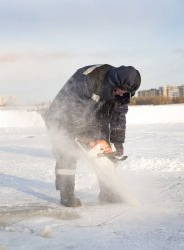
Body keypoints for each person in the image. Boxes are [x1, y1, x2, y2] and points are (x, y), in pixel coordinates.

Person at [43, 64, 141, 207]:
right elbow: (73, 112)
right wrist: (88, 139)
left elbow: (119, 116)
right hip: (64, 115)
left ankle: (108, 193)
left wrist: (117, 142)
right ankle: (66, 194)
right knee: (66, 152)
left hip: (94, 115)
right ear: (114, 82)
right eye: (121, 90)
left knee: (105, 153)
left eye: (126, 92)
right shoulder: (87, 80)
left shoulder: (123, 93)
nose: (121, 94)